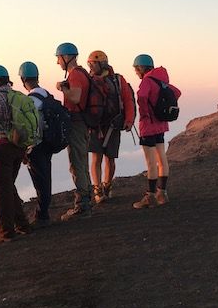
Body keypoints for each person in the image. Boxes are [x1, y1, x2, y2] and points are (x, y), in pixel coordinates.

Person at [0, 64, 32, 242]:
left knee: (1, 189)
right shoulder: (15, 96)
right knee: (8, 186)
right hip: (17, 146)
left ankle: (6, 232)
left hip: (0, 146)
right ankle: (22, 224)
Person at [132, 54, 181, 208]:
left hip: (148, 126)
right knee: (162, 159)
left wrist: (146, 113)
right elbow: (177, 92)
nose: (136, 72)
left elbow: (141, 96)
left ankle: (150, 197)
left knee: (151, 162)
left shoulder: (147, 81)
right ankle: (162, 193)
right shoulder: (162, 80)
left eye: (136, 69)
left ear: (141, 68)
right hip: (161, 125)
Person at [87, 51, 136, 204]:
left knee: (110, 158)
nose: (91, 66)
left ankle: (107, 185)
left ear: (102, 64)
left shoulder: (118, 80)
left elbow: (127, 99)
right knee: (96, 157)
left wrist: (129, 120)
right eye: (90, 64)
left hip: (113, 124)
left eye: (93, 63)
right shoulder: (91, 80)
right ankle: (98, 189)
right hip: (96, 125)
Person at [55, 42, 93, 221]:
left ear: (66, 57)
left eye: (58, 58)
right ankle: (87, 199)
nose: (57, 62)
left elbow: (76, 97)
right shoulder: (81, 73)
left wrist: (62, 88)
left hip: (77, 122)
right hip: (82, 122)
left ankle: (83, 205)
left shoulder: (76, 75)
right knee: (82, 161)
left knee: (77, 162)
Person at [19, 62, 54, 228]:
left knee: (40, 180)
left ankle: (43, 215)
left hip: (37, 145)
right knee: (46, 176)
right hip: (48, 142)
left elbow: (28, 125)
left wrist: (25, 148)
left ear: (23, 79)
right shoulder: (46, 95)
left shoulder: (31, 100)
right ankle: (44, 211)